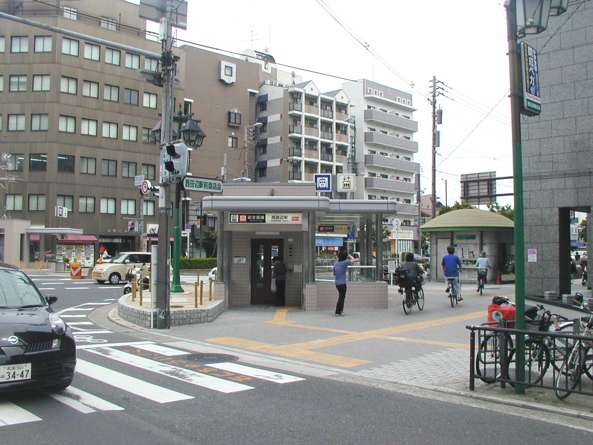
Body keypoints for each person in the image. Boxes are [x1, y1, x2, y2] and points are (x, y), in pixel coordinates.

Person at [333, 250, 354, 316]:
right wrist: (349, 255)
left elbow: (334, 273)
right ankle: (338, 311)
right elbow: (353, 260)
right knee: (342, 298)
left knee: (341, 297)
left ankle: (339, 311)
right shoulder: (345, 262)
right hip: (342, 283)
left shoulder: (336, 264)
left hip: (337, 283)